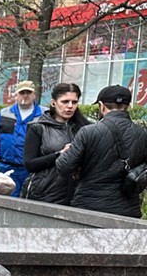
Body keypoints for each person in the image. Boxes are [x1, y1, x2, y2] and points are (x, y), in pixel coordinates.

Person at [55, 84, 147, 216]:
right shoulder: (143, 134)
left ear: (101, 105)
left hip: (89, 206)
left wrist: (65, 153)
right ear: (129, 106)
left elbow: (63, 167)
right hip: (127, 209)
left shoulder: (88, 132)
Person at [22, 81, 84, 205]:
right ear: (53, 103)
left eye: (74, 102)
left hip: (76, 195)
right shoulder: (38, 128)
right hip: (44, 193)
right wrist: (60, 154)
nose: (70, 106)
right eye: (65, 101)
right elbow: (30, 164)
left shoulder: (85, 129)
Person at [0, 79, 44, 195]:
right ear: (16, 95)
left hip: (32, 170)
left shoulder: (44, 115)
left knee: (29, 204)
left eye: (28, 93)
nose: (25, 95)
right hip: (6, 168)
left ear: (34, 95)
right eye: (22, 93)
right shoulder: (4, 114)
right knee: (5, 204)